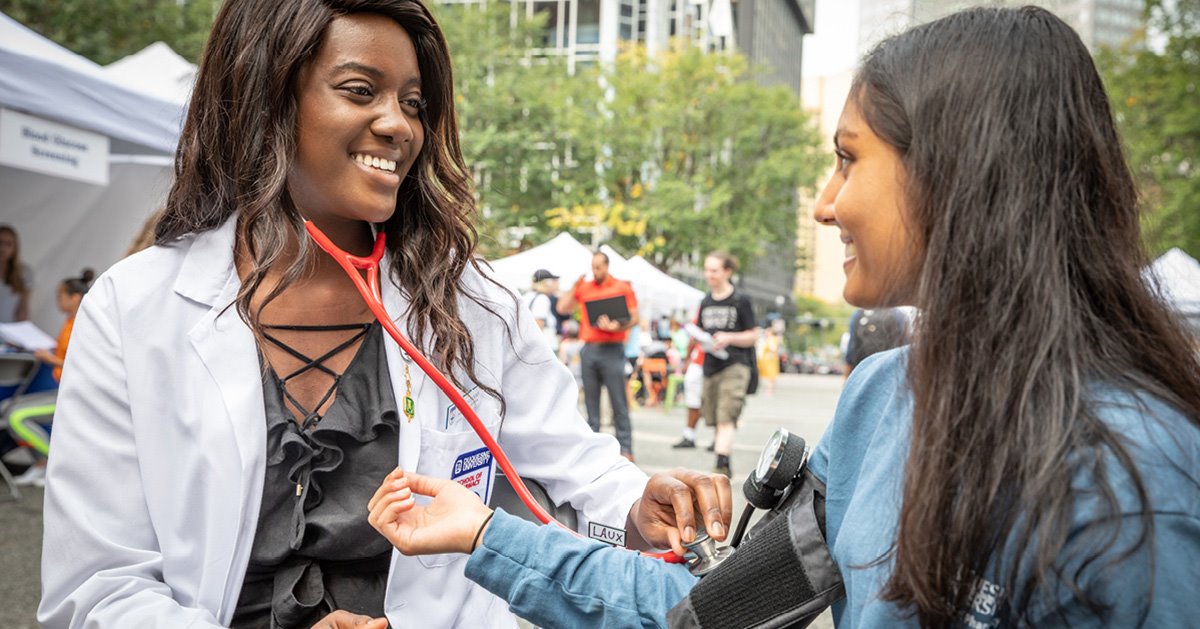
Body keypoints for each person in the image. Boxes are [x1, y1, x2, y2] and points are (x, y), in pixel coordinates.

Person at [364, 7, 1200, 627]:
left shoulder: (1137, 483)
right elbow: (715, 611)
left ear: (958, 173)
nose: (826, 205)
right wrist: (483, 536)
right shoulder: (880, 399)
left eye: (847, 159)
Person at [37, 2, 730, 627]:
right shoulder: (134, 309)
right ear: (268, 98)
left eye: (414, 102)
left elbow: (574, 465)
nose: (399, 125)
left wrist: (640, 503)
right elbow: (97, 582)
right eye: (359, 91)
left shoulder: (473, 304)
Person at [10, 269, 93, 488]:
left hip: (74, 393)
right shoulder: (69, 323)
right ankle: (42, 463)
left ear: (75, 298)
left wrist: (51, 358)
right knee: (11, 411)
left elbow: (84, 365)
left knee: (16, 417)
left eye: (61, 295)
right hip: (61, 389)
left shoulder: (82, 324)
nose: (58, 300)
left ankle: (56, 465)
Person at [556, 251, 640, 459]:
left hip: (612, 348)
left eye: (599, 267)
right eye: (593, 267)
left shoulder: (621, 286)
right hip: (590, 349)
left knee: (618, 400)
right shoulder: (585, 287)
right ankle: (592, 450)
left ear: (607, 265)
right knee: (590, 401)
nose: (596, 271)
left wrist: (617, 325)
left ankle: (626, 448)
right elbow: (562, 307)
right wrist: (575, 285)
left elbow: (635, 317)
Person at [695, 251, 759, 477]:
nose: (709, 274)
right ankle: (721, 453)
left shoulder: (740, 301)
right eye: (707, 269)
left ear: (727, 272)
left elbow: (753, 335)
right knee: (712, 416)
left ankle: (722, 462)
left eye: (714, 270)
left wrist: (729, 338)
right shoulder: (705, 301)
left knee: (726, 416)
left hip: (736, 364)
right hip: (711, 365)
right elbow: (701, 330)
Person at [842, 307, 909, 378]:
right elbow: (904, 346)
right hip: (889, 371)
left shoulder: (858, 315)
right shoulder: (898, 314)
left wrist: (846, 377)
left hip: (862, 370)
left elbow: (851, 349)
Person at [520, 268, 559, 350]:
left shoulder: (527, 296)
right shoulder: (542, 298)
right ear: (547, 283)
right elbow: (538, 326)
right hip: (544, 349)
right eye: (552, 281)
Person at [0, 225, 31, 323]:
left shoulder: (24, 272)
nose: (3, 248)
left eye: (8, 244)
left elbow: (23, 308)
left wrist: (20, 332)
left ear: (15, 249)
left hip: (7, 332)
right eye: (0, 242)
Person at [757, 325, 781, 396]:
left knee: (770, 376)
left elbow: (772, 348)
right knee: (771, 376)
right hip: (772, 360)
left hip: (770, 360)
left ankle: (770, 390)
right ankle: (770, 390)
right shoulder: (774, 338)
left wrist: (770, 355)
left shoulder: (771, 339)